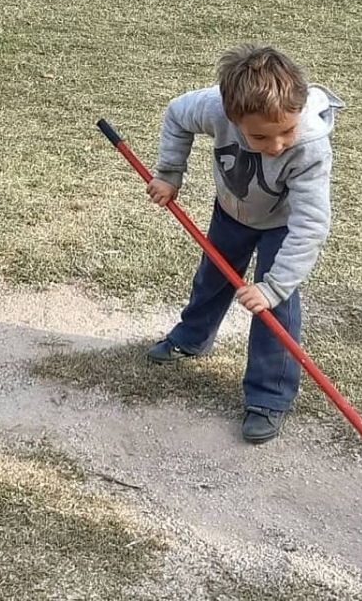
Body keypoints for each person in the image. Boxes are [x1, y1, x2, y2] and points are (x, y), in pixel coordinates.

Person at [144, 45, 344, 445]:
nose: (275, 146)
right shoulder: (214, 107)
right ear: (233, 117)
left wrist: (272, 287)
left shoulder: (310, 146)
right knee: (212, 278)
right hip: (232, 211)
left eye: (286, 131)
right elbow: (176, 115)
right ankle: (191, 338)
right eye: (260, 136)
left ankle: (269, 397)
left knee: (276, 309)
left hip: (283, 224)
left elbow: (310, 224)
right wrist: (169, 174)